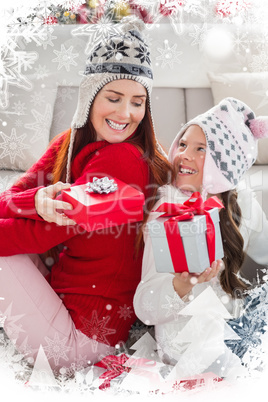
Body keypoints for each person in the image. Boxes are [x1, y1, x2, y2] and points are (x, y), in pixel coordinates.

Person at [0, 19, 173, 374]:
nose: (125, 114)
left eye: (138, 102)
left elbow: (50, 230)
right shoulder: (70, 141)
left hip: (84, 340)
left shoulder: (124, 160)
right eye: (113, 98)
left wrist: (34, 208)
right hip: (61, 299)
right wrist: (34, 202)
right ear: (90, 95)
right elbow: (12, 195)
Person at [133, 97, 268, 371]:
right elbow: (145, 306)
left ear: (224, 165)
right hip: (192, 348)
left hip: (238, 325)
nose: (184, 154)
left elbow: (264, 255)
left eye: (200, 149)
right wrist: (182, 285)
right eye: (182, 145)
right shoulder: (168, 212)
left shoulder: (240, 200)